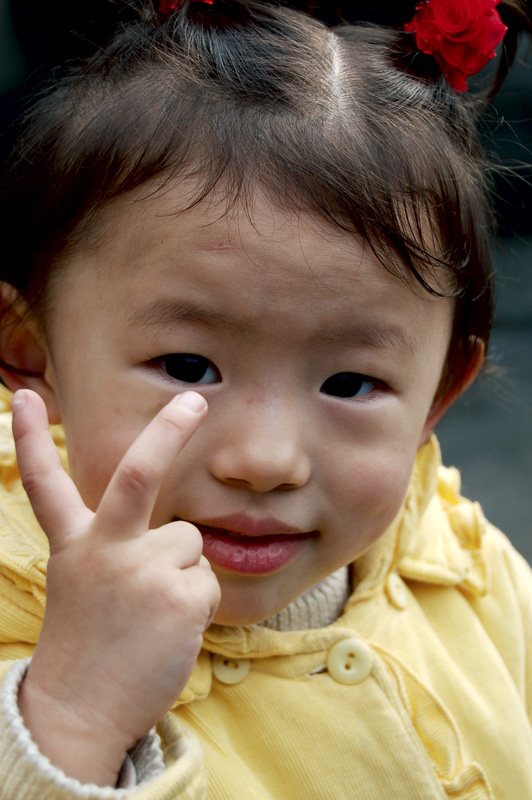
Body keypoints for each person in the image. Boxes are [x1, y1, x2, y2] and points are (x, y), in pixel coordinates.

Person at [0, 0, 530, 796]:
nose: (264, 461)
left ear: (436, 399)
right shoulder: (23, 612)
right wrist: (73, 717)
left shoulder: (456, 561)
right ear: (30, 350)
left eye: (350, 383)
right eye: (186, 365)